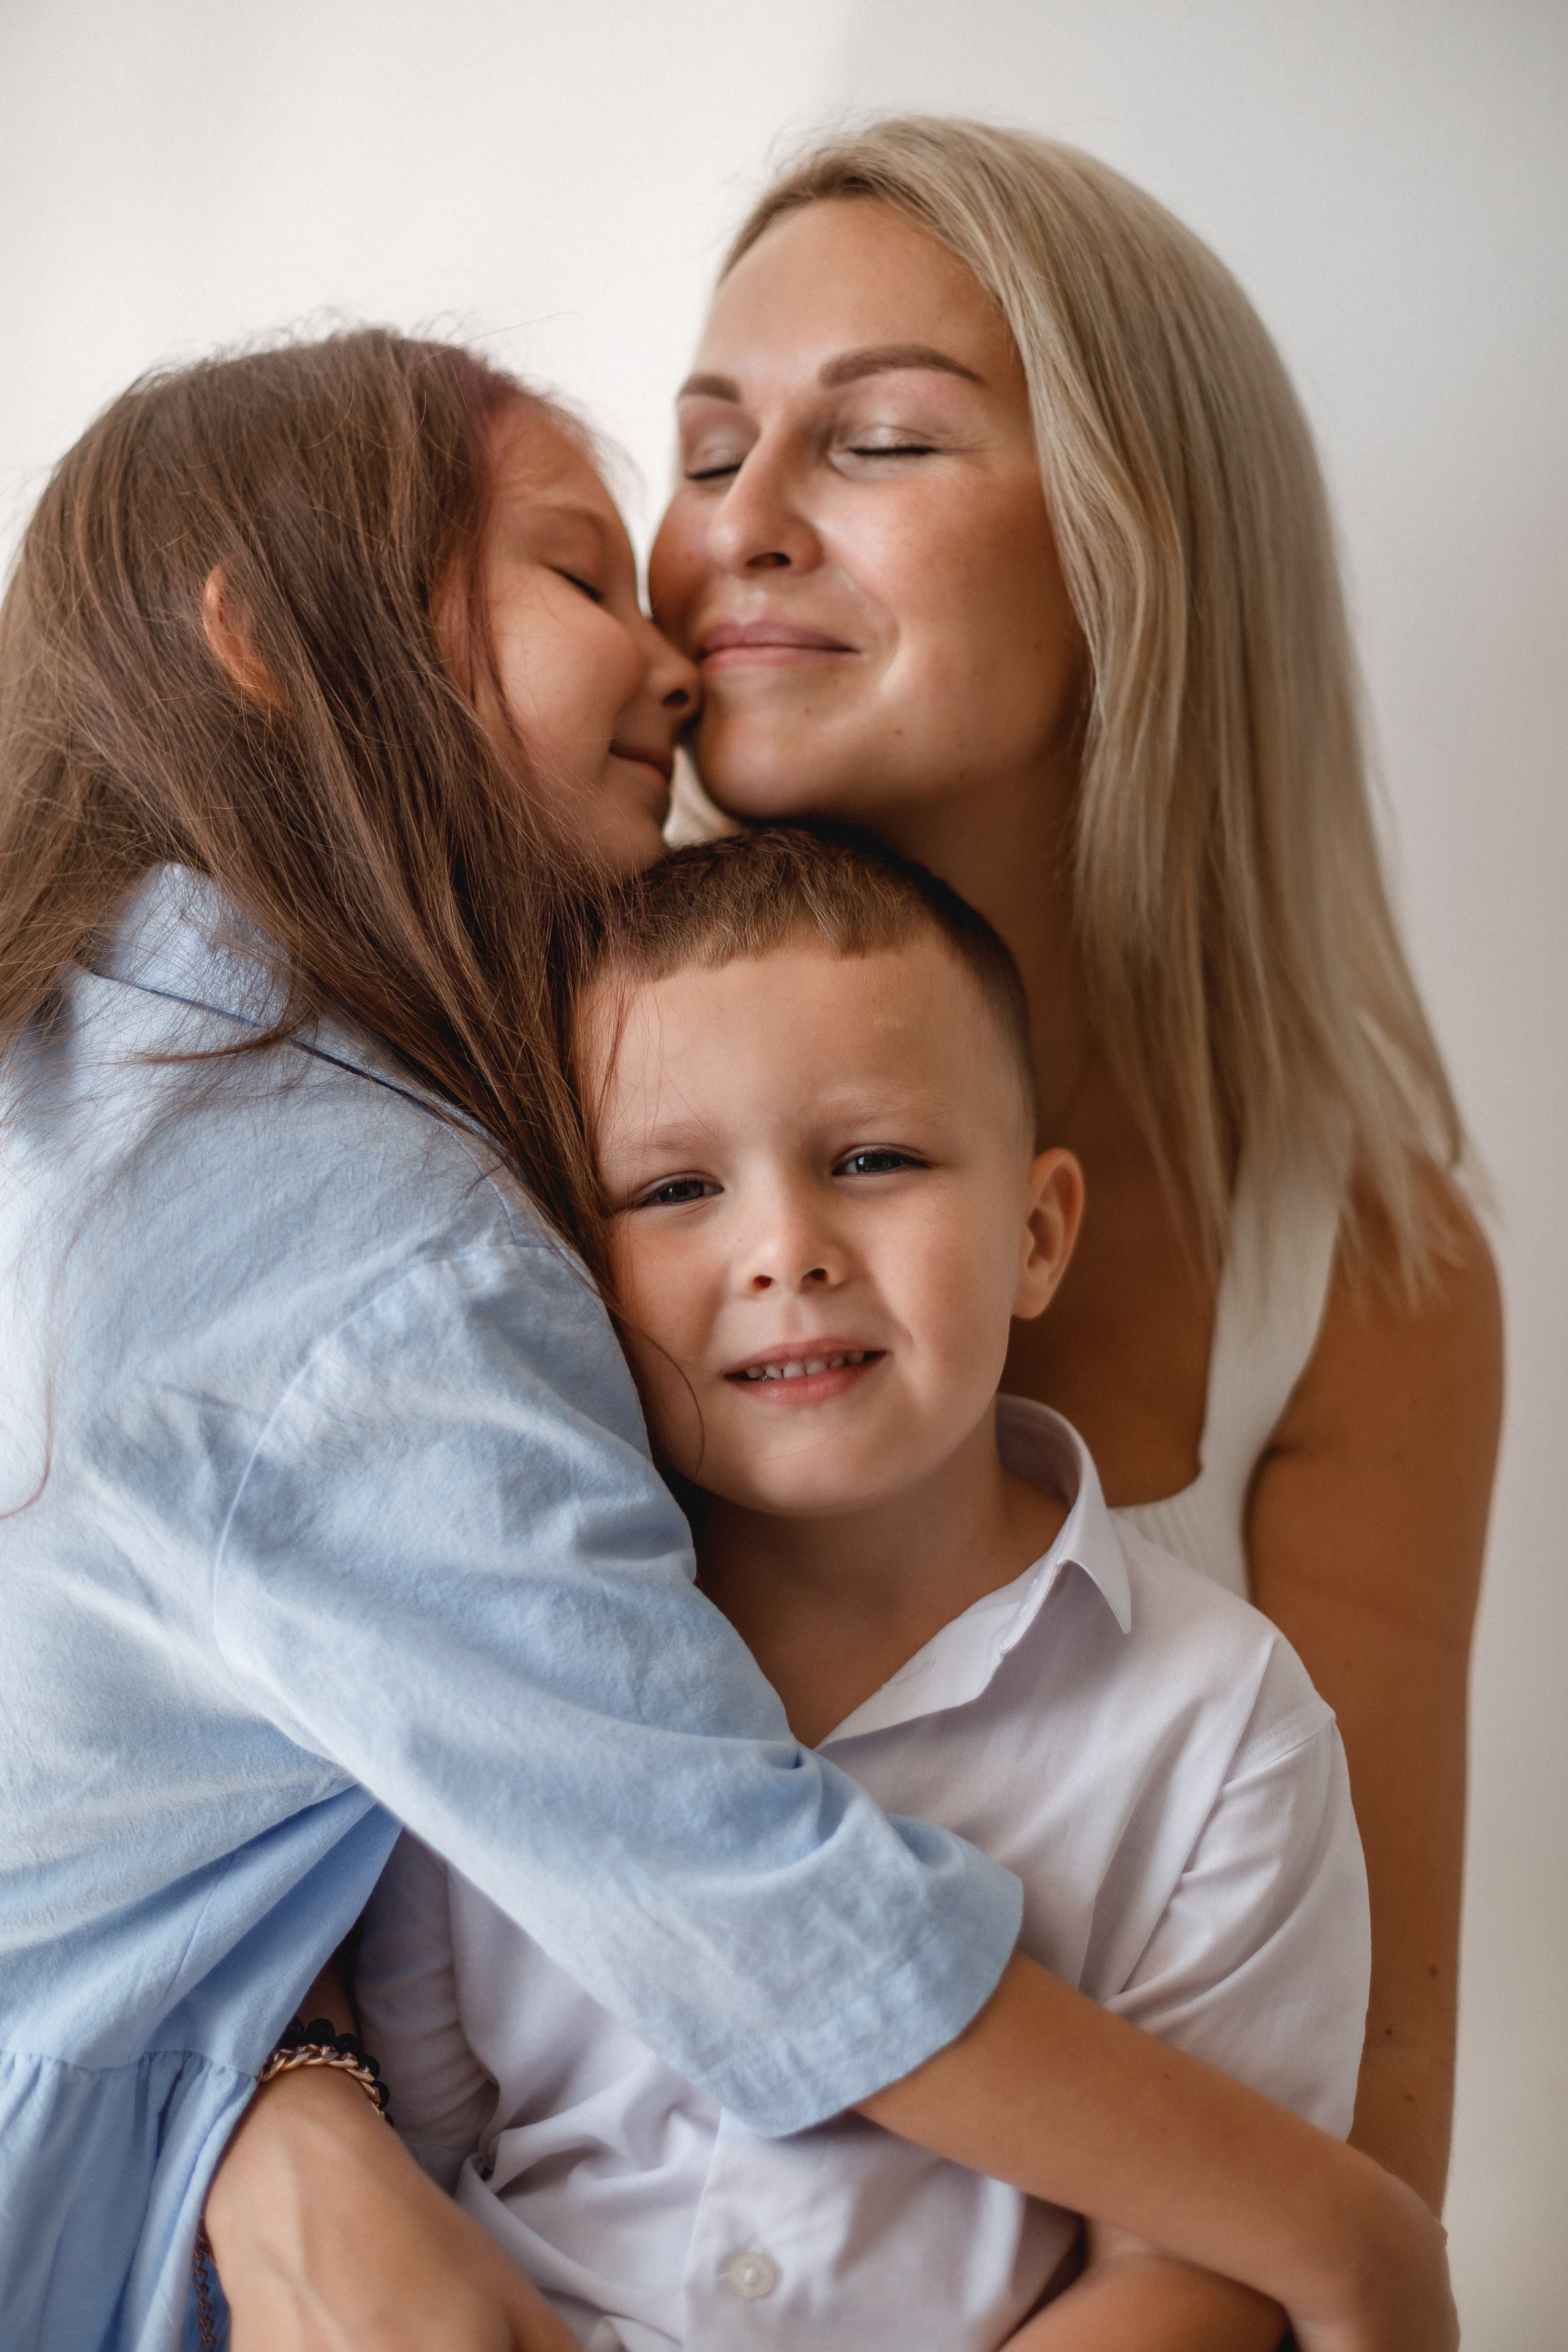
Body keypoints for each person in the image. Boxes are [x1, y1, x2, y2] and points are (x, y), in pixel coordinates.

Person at [0, 329, 1449, 2352]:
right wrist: (1348, 2236)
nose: (689, 628)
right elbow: (721, 1900)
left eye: (875, 434)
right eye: (605, 564)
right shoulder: (375, 1228)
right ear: (271, 644)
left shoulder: (125, 1072)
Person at [649, 116, 1504, 2210]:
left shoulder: (1362, 1268)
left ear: (1143, 548)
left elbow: (1361, 2102)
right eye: (703, 447)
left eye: (879, 444)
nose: (731, 531)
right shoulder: (508, 1113)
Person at [356, 824, 1374, 2352]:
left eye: (872, 1161)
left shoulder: (1219, 1728)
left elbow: (1190, 2265)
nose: (785, 1251)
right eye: (674, 1189)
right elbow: (416, 2174)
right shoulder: (489, 1671)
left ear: (1035, 1235)